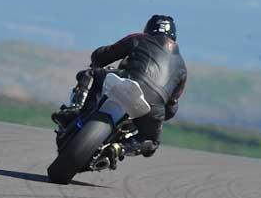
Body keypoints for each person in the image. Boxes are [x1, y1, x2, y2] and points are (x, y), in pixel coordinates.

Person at [52, 14, 187, 160]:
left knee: (90, 74)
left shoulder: (139, 38)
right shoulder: (182, 67)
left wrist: (97, 61)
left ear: (148, 28)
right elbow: (173, 105)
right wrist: (158, 117)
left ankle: (75, 109)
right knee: (151, 141)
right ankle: (120, 147)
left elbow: (104, 54)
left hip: (127, 81)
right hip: (154, 104)